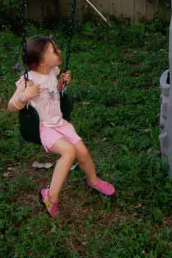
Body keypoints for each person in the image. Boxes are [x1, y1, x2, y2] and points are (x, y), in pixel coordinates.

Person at [8, 35, 115, 217]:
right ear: (41, 61)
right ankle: (50, 196)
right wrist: (24, 96)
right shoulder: (29, 80)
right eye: (53, 50)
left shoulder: (52, 71)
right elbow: (11, 106)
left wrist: (61, 84)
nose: (58, 51)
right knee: (69, 151)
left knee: (82, 151)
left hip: (59, 122)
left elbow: (51, 92)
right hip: (43, 127)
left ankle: (93, 180)